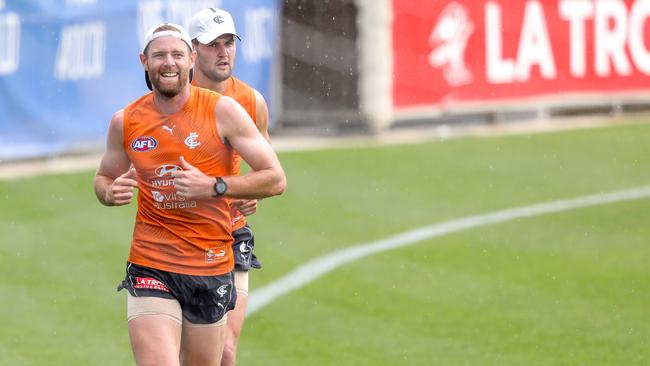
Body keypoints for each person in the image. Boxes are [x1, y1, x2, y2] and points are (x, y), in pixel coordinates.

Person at [93, 22, 285, 366]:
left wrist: (215, 186)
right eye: (160, 55)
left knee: (222, 354)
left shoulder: (222, 111)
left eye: (177, 55)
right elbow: (104, 177)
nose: (169, 62)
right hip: (152, 262)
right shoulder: (126, 121)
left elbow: (275, 178)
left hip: (210, 263)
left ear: (191, 59)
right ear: (144, 61)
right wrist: (109, 191)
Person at [188, 8, 271, 366]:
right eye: (213, 45)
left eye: (229, 43)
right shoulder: (174, 96)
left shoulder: (251, 101)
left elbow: (268, 172)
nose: (223, 52)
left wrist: (252, 192)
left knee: (224, 351)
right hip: (178, 239)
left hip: (230, 235)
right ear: (194, 51)